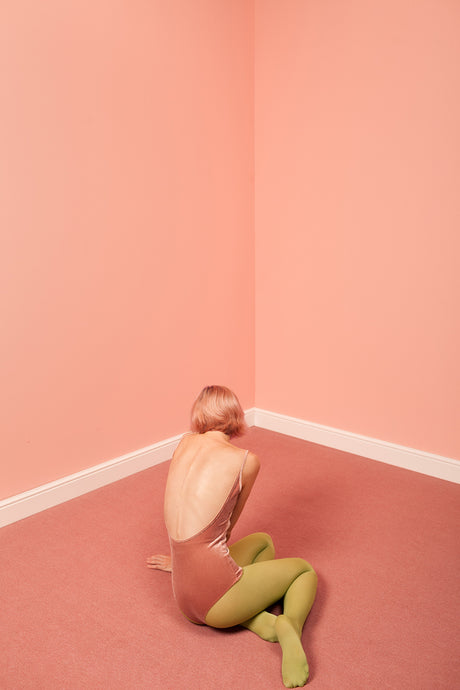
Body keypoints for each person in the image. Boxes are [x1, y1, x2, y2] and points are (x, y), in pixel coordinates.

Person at [147, 385, 317, 688]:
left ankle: (255, 617)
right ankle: (289, 625)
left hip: (183, 599)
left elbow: (189, 517)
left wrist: (178, 562)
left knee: (263, 540)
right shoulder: (246, 461)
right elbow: (226, 529)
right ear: (235, 416)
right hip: (217, 600)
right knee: (303, 570)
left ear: (199, 413)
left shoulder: (184, 443)